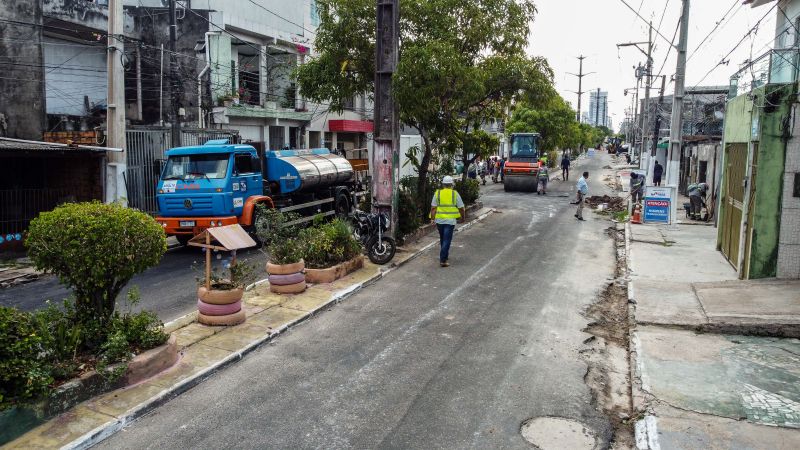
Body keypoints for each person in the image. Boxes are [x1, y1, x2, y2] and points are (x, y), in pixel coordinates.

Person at [430, 176, 465, 267]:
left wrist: (432, 219)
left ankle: (445, 255)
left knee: (443, 238)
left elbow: (433, 208)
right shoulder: (455, 194)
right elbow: (461, 208)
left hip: (439, 221)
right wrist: (463, 218)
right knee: (447, 239)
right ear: (451, 184)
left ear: (443, 184)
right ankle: (443, 260)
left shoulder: (437, 193)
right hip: (450, 221)